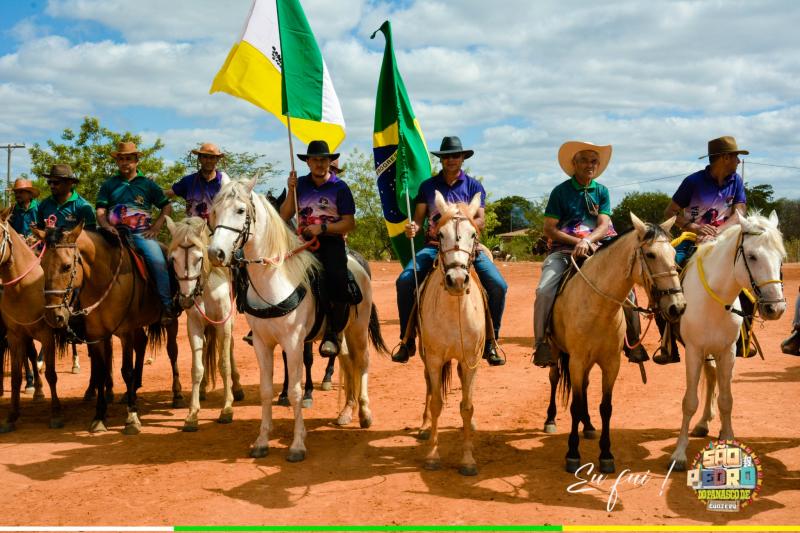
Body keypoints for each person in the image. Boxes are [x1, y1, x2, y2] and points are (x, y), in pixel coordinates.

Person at [531, 140, 649, 367]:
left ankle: (632, 341)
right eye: (584, 160)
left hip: (598, 249)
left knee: (629, 291)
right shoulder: (560, 192)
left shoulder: (602, 191)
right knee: (544, 289)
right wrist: (578, 242)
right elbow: (549, 228)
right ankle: (541, 342)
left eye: (594, 161)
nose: (589, 165)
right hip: (563, 251)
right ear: (574, 163)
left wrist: (589, 242)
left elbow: (604, 225)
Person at [393, 136, 507, 366]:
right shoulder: (428, 187)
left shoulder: (474, 186)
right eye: (446, 156)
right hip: (434, 247)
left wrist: (463, 221)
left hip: (468, 251)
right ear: (441, 160)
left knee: (498, 285)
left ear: (462, 158)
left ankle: (491, 341)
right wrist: (413, 228)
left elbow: (481, 221)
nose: (451, 160)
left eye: (455, 155)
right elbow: (418, 219)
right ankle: (407, 340)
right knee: (405, 281)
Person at [654, 136, 749, 364]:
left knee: (750, 280)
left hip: (725, 242)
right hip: (692, 241)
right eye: (735, 156)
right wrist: (695, 228)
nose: (738, 161)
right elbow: (671, 212)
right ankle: (667, 342)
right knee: (664, 280)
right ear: (724, 157)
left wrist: (720, 231)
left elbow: (740, 213)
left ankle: (745, 339)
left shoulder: (736, 181)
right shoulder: (693, 182)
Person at [279, 140, 355, 357]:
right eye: (315, 160)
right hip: (301, 241)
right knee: (276, 271)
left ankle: (332, 333)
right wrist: (291, 189)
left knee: (337, 277)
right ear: (308, 162)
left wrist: (322, 228)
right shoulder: (300, 184)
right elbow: (285, 215)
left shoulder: (340, 188)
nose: (320, 164)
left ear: (330, 162)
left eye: (324, 160)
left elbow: (349, 223)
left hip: (330, 241)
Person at [95, 141, 175, 326]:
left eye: (129, 159)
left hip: (140, 235)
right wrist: (106, 226)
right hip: (112, 234)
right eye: (121, 159)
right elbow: (100, 211)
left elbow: (167, 206)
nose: (125, 163)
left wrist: (156, 227)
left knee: (158, 262)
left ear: (136, 160)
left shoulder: (148, 185)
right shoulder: (109, 185)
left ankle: (167, 305)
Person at [166, 142, 230, 221]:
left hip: (217, 230)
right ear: (199, 158)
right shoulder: (188, 181)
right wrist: (151, 186)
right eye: (205, 157)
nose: (208, 161)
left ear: (217, 159)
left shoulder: (224, 181)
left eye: (212, 157)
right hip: (192, 229)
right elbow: (168, 193)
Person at [34, 164, 97, 231]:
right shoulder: (43, 205)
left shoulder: (84, 207)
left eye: (56, 183)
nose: (51, 186)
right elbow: (39, 229)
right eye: (49, 182)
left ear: (69, 183)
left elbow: (90, 234)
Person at [8, 178, 40, 246]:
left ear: (30, 194)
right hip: (18, 246)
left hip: (38, 247)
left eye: (21, 192)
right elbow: (7, 229)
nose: (17, 195)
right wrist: (16, 236)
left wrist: (36, 237)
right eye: (16, 192)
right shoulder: (11, 211)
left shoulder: (40, 208)